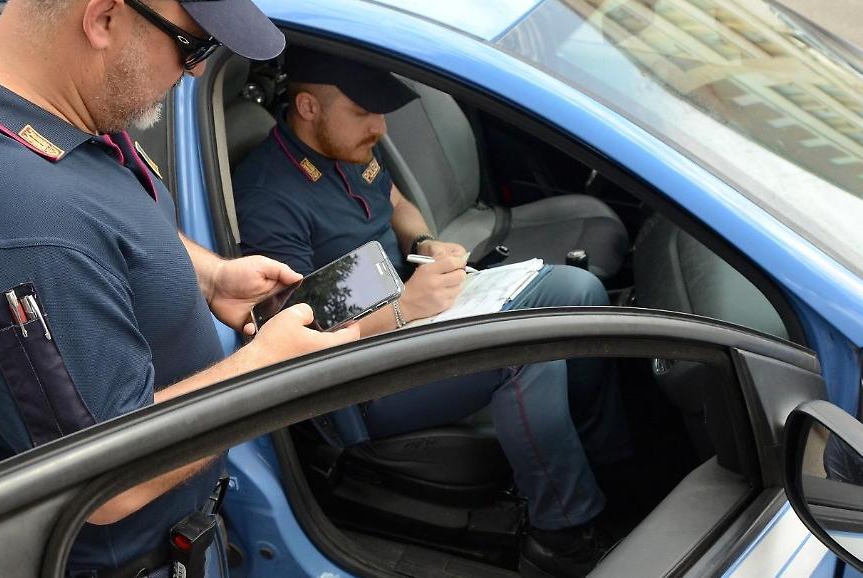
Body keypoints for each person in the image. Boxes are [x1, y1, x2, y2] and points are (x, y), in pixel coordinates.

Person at [0, 0, 358, 578]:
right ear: (104, 18)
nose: (199, 71)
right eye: (194, 44)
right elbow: (104, 479)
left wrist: (210, 277)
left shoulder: (36, 107)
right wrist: (265, 372)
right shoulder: (17, 232)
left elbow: (107, 217)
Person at [233, 49, 630, 577]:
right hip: (357, 375)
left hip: (416, 309)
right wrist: (401, 309)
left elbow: (393, 198)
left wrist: (425, 241)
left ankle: (607, 465)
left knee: (580, 293)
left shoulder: (348, 147)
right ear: (308, 106)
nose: (380, 128)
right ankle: (562, 536)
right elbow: (298, 325)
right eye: (364, 113)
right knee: (525, 354)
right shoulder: (270, 195)